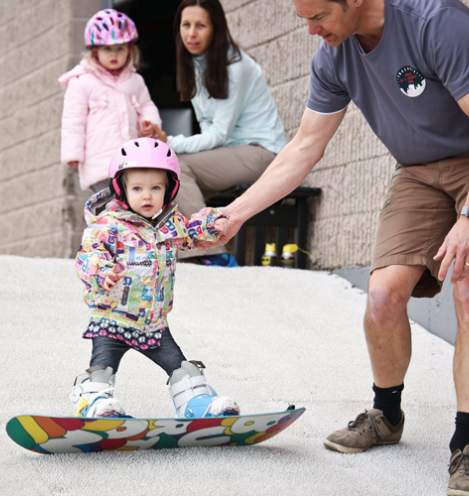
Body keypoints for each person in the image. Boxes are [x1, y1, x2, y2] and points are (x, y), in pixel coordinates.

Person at [210, 1, 469, 494]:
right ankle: (386, 415)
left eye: (317, 15)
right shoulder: (333, 55)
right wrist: (233, 214)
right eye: (304, 18)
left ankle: (466, 445)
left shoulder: (435, 24)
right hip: (421, 169)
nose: (310, 30)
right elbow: (304, 146)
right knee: (383, 294)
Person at [71, 137, 239, 419]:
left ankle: (197, 405)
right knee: (103, 367)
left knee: (181, 367)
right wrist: (102, 272)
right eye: (137, 188)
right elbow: (88, 255)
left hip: (154, 323)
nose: (146, 196)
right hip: (113, 319)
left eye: (155, 188)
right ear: (121, 189)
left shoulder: (170, 225)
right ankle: (93, 402)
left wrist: (213, 224)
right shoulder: (108, 226)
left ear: (169, 190)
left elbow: (192, 233)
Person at [142, 0, 287, 267]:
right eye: (186, 25)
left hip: (262, 153)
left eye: (200, 26)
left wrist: (169, 144)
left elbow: (218, 135)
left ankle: (211, 252)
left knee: (178, 166)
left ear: (216, 29)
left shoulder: (235, 66)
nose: (191, 34)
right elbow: (210, 131)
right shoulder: (196, 66)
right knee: (163, 176)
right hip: (231, 153)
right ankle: (178, 252)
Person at [59, 9, 162, 194]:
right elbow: (73, 121)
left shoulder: (135, 81)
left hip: (132, 161)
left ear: (129, 50)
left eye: (120, 49)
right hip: (100, 165)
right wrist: (72, 153)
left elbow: (147, 105)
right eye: (108, 49)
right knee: (108, 210)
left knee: (130, 210)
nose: (114, 54)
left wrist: (150, 123)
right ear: (95, 51)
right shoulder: (81, 82)